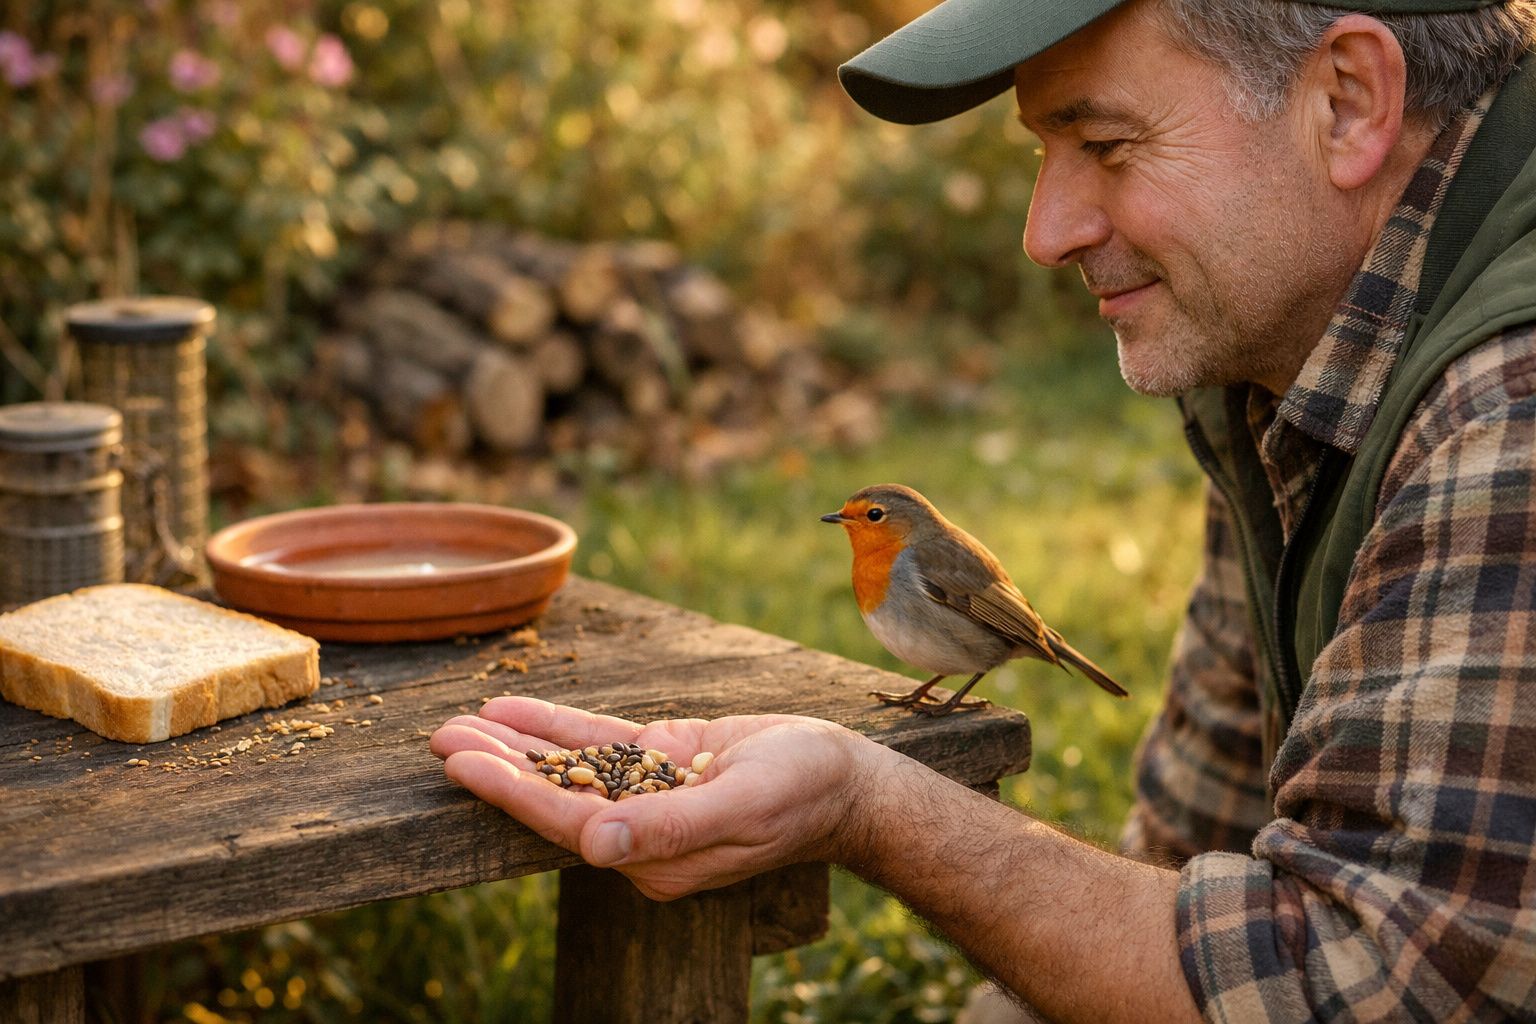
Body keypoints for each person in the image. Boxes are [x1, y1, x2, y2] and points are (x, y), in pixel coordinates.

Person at [431, 0, 1536, 1017]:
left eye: (1105, 145)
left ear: (1347, 101)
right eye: (1043, 153)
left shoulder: (1509, 409)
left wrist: (875, 806)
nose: (1043, 232)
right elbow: (1206, 820)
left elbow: (1370, 990)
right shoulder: (1287, 346)